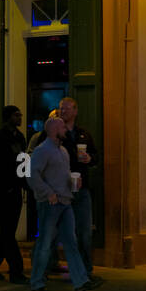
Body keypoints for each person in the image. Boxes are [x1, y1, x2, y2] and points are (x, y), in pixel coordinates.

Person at [28, 117, 102, 291]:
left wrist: (72, 181)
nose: (65, 130)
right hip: (50, 204)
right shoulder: (42, 151)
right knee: (45, 243)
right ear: (53, 130)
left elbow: (64, 174)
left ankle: (80, 281)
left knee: (71, 243)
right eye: (62, 127)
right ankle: (37, 282)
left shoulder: (63, 151)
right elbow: (32, 175)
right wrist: (48, 193)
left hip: (65, 202)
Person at [0, 105, 28, 283]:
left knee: (7, 231)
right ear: (8, 117)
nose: (20, 117)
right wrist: (3, 185)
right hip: (3, 191)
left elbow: (24, 162)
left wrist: (25, 183)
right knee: (8, 232)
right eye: (16, 115)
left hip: (16, 189)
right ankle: (16, 270)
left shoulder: (20, 137)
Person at [57, 96, 99, 274]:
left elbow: (96, 157)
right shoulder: (55, 133)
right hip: (61, 190)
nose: (63, 111)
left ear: (75, 111)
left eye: (66, 108)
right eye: (61, 108)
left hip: (81, 190)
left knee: (84, 232)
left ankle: (85, 270)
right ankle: (47, 266)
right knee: (56, 232)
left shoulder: (84, 134)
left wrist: (89, 159)